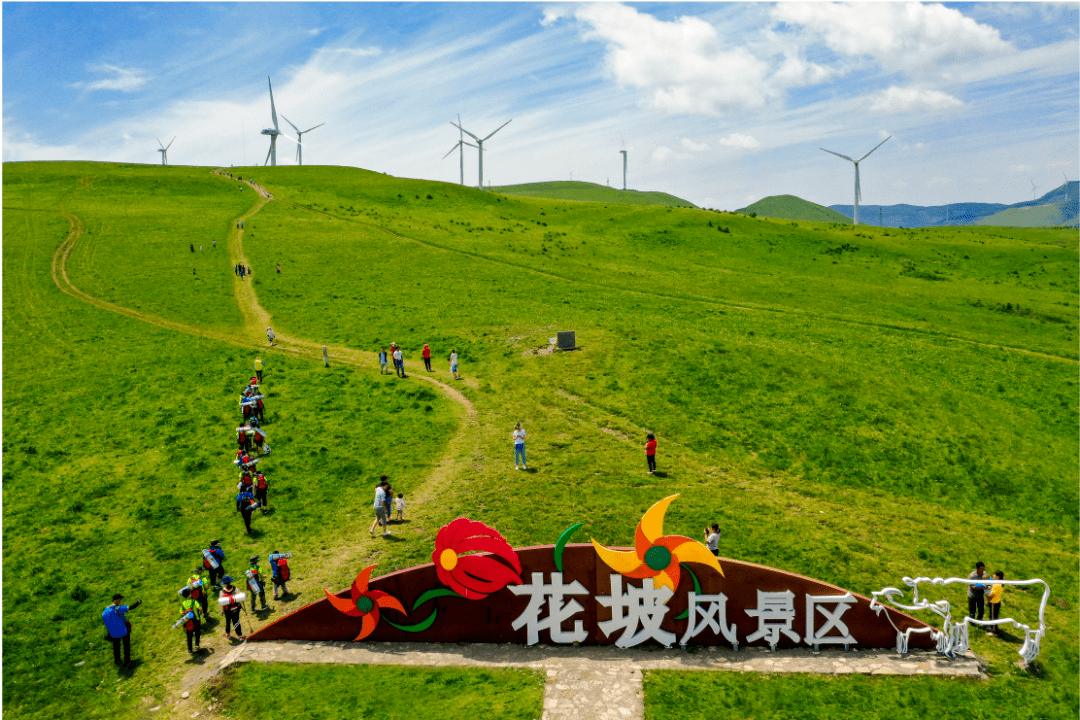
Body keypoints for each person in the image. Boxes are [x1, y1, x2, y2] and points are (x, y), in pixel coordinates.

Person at [102, 594, 141, 666]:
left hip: (113, 632)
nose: (120, 601)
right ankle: (127, 660)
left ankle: (117, 661)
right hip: (122, 630)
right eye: (120, 599)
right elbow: (131, 607)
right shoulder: (118, 608)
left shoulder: (107, 609)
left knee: (116, 647)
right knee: (126, 645)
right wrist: (138, 602)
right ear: (116, 600)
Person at [178, 587, 203, 654]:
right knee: (197, 632)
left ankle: (190, 650)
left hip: (188, 622)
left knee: (189, 636)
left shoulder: (183, 604)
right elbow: (200, 608)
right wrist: (201, 611)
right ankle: (197, 644)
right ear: (189, 595)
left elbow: (181, 612)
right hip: (196, 620)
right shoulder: (194, 601)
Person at [987, 571, 1005, 635]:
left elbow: (992, 595)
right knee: (993, 616)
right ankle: (992, 628)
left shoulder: (997, 585)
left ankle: (994, 632)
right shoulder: (997, 583)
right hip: (996, 602)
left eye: (995, 575)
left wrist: (987, 596)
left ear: (998, 577)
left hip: (994, 603)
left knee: (993, 618)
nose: (993, 575)